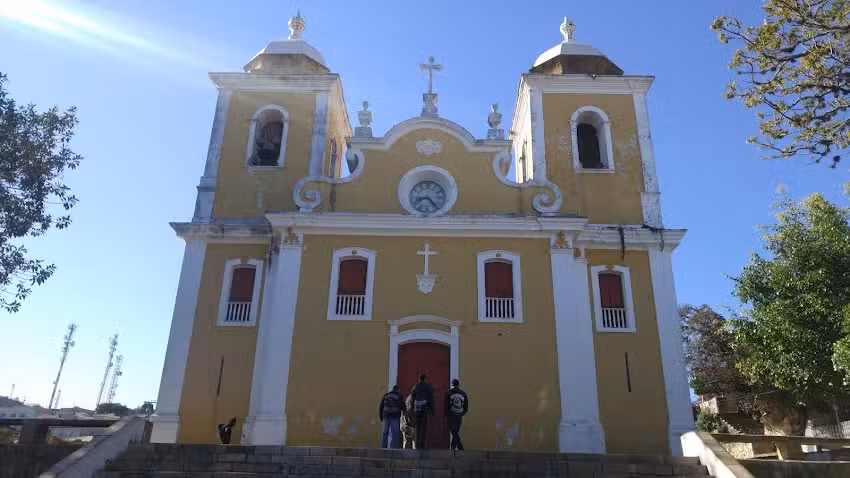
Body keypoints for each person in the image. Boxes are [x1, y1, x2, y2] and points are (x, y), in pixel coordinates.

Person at [410, 373, 434, 449]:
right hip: (424, 410)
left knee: (417, 428)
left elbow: (412, 399)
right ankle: (422, 446)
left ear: (419, 379)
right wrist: (432, 410)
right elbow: (431, 399)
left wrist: (411, 410)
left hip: (417, 410)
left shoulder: (415, 387)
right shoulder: (428, 387)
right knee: (423, 429)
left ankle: (417, 445)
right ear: (425, 379)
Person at [445, 379, 468, 451]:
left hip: (451, 415)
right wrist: (462, 413)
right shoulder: (463, 393)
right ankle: (453, 448)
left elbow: (446, 405)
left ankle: (459, 447)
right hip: (459, 415)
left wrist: (446, 414)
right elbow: (466, 406)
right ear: (458, 385)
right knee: (455, 431)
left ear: (452, 385)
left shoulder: (448, 392)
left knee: (453, 431)